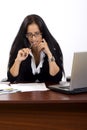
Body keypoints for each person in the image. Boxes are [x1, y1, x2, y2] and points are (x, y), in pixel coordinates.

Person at [7, 14, 64, 83]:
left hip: (48, 93)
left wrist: (49, 54)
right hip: (23, 93)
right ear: (25, 35)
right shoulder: (19, 47)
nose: (33, 38)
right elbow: (11, 78)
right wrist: (18, 60)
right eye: (29, 34)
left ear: (42, 33)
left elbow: (57, 78)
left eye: (37, 33)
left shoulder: (53, 46)